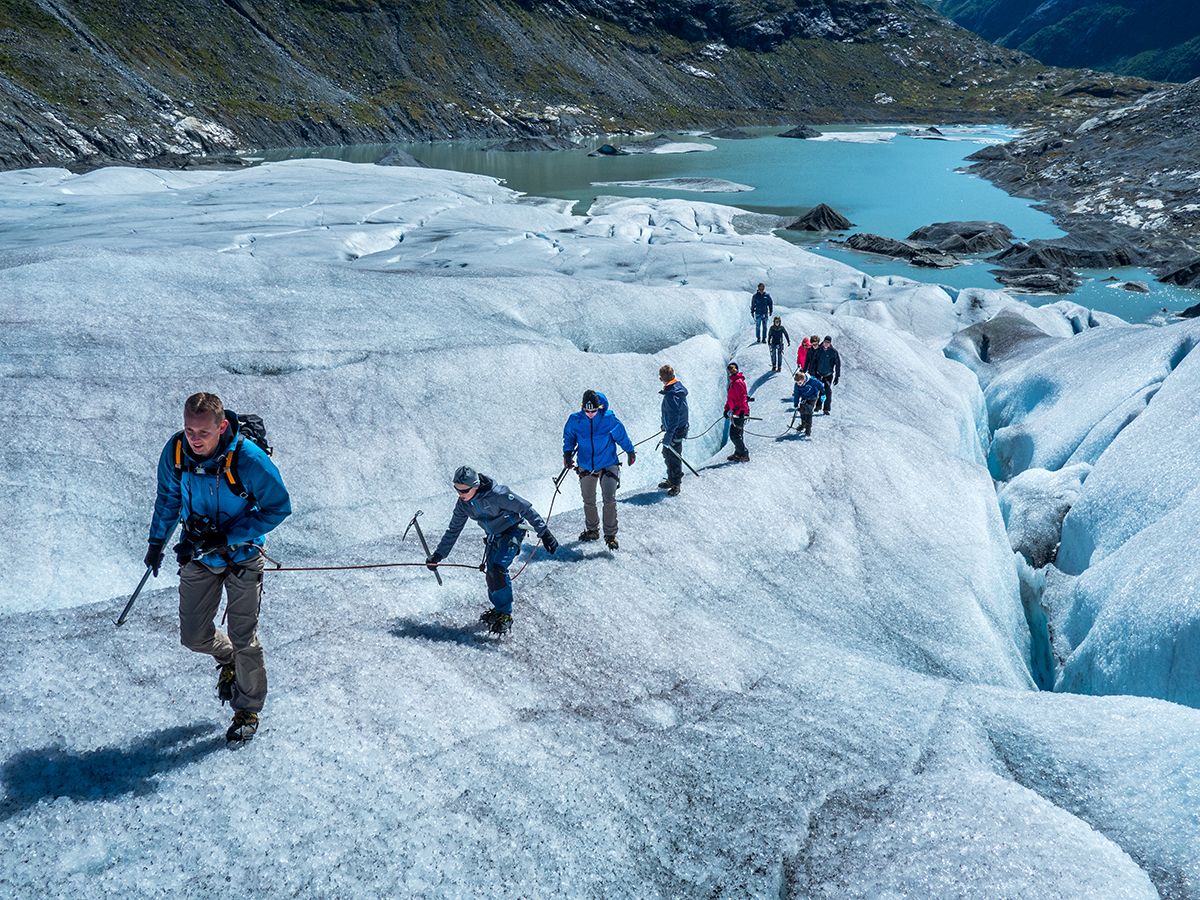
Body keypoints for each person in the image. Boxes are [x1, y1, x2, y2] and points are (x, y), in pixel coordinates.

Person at [144, 392, 291, 743]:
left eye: (202, 432)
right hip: (198, 555)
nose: (194, 439)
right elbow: (168, 498)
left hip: (242, 557)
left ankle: (247, 709)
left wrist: (227, 537)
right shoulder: (177, 452)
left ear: (222, 426)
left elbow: (279, 507)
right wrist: (156, 543)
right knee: (193, 636)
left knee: (245, 637)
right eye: (188, 430)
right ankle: (227, 661)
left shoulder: (249, 460)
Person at [426, 466, 558, 634]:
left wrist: (544, 532)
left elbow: (526, 508)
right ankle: (499, 609)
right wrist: (438, 554)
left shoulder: (498, 495)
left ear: (475, 485)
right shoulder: (463, 505)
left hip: (512, 531)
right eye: (457, 490)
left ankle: (505, 615)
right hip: (493, 536)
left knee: (498, 568)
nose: (460, 494)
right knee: (491, 573)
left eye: (464, 490)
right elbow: (453, 530)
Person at [563, 390, 635, 550]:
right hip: (586, 465)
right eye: (587, 411)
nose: (590, 414)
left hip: (608, 464)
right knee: (589, 500)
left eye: (593, 410)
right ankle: (592, 530)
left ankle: (610, 535)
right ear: (582, 407)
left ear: (599, 407)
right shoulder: (575, 420)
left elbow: (621, 436)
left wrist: (630, 451)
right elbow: (569, 437)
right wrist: (567, 454)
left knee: (609, 499)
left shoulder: (608, 419)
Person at [658, 364, 689, 496]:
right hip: (676, 429)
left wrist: (669, 434)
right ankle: (672, 479)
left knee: (673, 457)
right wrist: (665, 426)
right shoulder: (676, 390)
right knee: (667, 453)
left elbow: (674, 416)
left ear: (661, 378)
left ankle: (676, 484)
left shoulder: (672, 394)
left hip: (675, 431)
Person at [805, 335, 842, 414]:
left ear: (830, 343)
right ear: (823, 342)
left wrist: (837, 376)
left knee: (827, 392)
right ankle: (816, 406)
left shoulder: (833, 352)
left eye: (828, 342)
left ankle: (826, 409)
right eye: (825, 342)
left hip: (828, 375)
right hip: (818, 373)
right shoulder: (819, 350)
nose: (826, 344)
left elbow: (838, 364)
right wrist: (811, 372)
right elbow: (813, 361)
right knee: (816, 390)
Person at [724, 361, 750, 462]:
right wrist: (726, 409)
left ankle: (744, 453)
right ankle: (738, 453)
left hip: (740, 412)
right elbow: (730, 398)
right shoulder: (733, 382)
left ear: (737, 369)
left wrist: (744, 411)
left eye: (733, 368)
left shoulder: (738, 382)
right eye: (730, 369)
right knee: (737, 434)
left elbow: (743, 397)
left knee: (734, 435)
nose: (732, 370)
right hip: (736, 412)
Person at [791, 370, 823, 437]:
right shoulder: (797, 385)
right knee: (802, 410)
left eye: (800, 383)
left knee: (808, 411)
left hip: (813, 397)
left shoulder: (812, 381)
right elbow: (796, 394)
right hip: (804, 398)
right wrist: (796, 404)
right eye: (797, 383)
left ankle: (808, 429)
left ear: (803, 379)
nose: (798, 384)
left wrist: (823, 394)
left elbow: (820, 385)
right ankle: (803, 424)